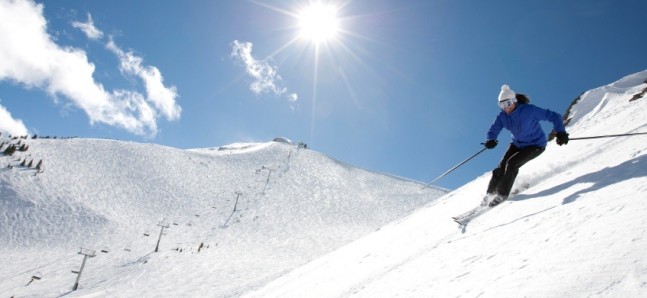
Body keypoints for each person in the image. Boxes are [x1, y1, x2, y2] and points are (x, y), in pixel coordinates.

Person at [483, 84, 569, 207]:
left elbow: (554, 116)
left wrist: (561, 132)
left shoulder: (529, 110)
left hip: (535, 145)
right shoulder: (502, 116)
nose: (505, 108)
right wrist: (491, 139)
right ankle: (489, 195)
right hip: (517, 144)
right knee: (500, 167)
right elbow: (494, 128)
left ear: (513, 101)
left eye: (507, 104)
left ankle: (502, 194)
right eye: (501, 105)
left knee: (511, 164)